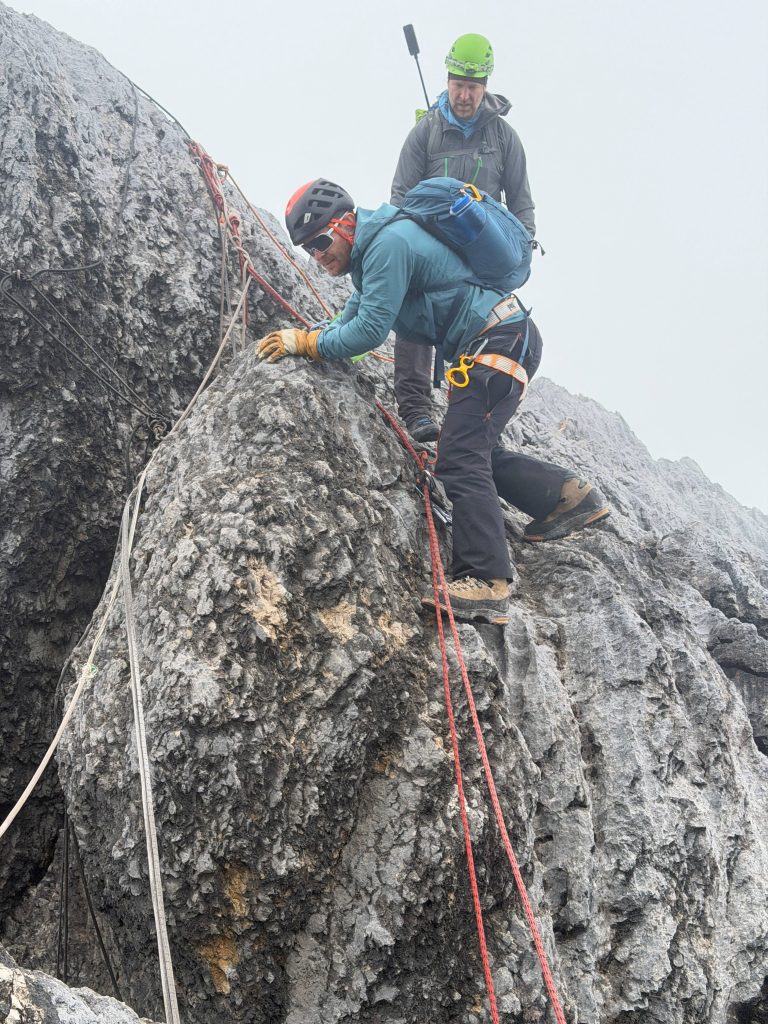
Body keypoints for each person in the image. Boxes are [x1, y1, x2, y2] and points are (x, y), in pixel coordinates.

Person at [256, 179, 609, 625]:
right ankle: (566, 497)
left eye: (321, 241)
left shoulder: (387, 245)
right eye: (308, 249)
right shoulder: (374, 254)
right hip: (504, 339)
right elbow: (353, 319)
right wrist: (310, 337)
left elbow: (367, 334)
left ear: (346, 224)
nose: (318, 255)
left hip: (495, 341)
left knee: (459, 457)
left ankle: (486, 581)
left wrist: (305, 344)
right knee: (472, 449)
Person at [390, 32, 536, 443]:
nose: (464, 95)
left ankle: (465, 415)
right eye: (458, 84)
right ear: (448, 78)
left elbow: (521, 201)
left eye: (472, 86)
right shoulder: (426, 132)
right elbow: (401, 193)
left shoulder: (504, 138)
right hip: (431, 241)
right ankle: (415, 408)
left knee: (479, 325)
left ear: (485, 86)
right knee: (414, 305)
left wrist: (522, 248)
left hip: (481, 249)